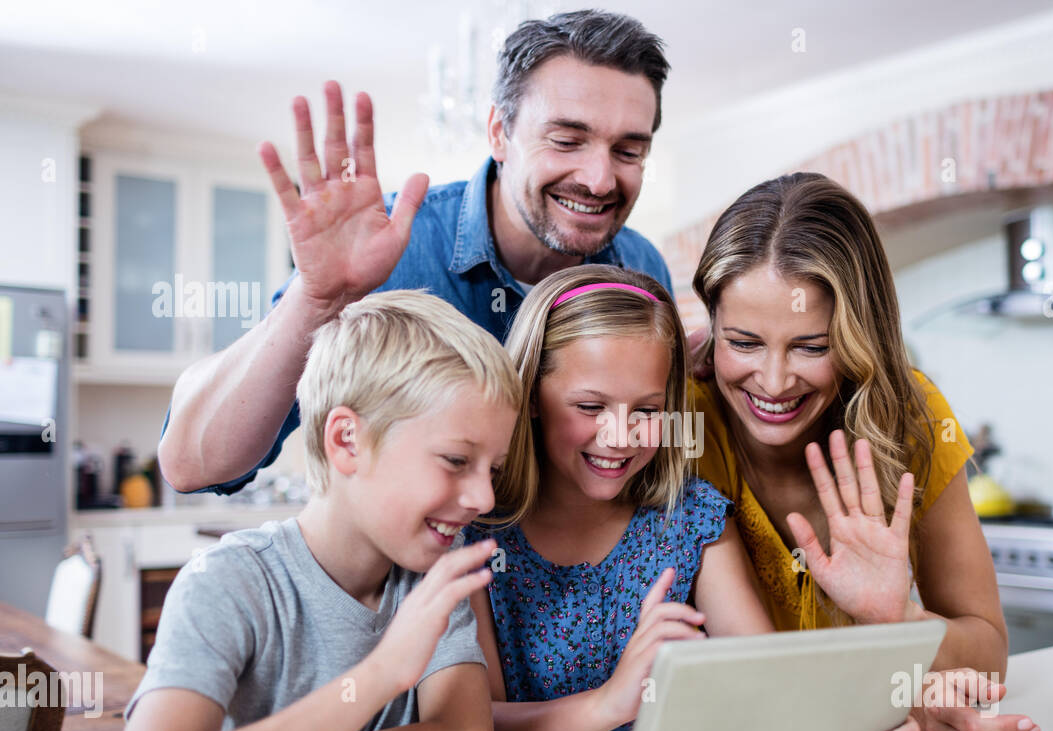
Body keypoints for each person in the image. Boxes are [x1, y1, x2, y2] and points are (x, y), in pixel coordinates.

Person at [32, 291, 522, 731]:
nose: (484, 495)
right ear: (346, 441)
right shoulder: (228, 583)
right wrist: (384, 672)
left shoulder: (431, 575)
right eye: (457, 461)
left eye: (494, 469)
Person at [158, 9, 673, 497]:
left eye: (628, 151)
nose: (600, 179)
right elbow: (193, 466)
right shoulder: (386, 254)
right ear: (499, 132)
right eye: (566, 140)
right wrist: (315, 300)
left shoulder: (641, 271)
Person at [460, 264, 924, 731]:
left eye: (648, 410)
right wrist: (608, 704)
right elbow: (478, 725)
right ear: (531, 397)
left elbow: (773, 688)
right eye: (590, 407)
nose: (620, 435)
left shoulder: (690, 522)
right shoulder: (476, 532)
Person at [689, 173, 1040, 731]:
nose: (773, 382)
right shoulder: (679, 421)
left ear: (861, 337)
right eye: (743, 342)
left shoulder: (911, 417)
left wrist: (895, 624)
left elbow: (987, 659)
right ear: (711, 323)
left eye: (811, 347)